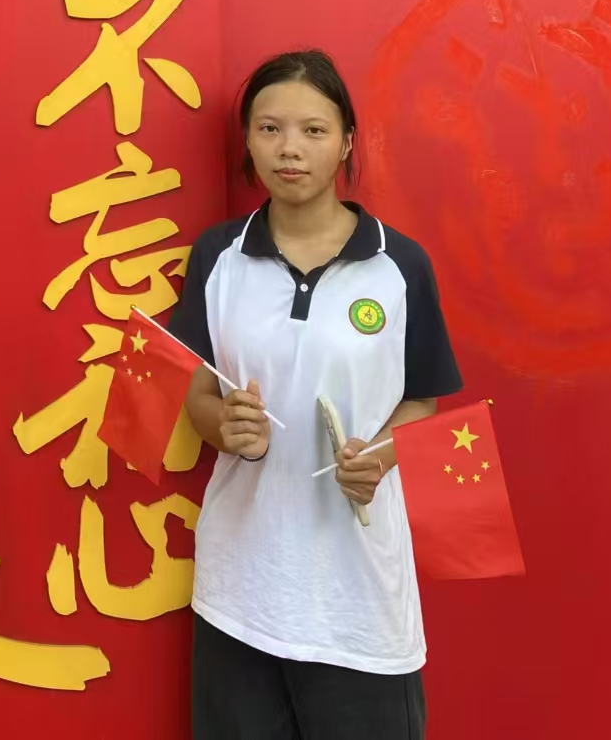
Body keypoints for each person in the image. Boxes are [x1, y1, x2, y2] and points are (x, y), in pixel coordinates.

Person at [172, 49, 461, 740]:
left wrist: (378, 458)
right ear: (247, 141)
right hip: (240, 592)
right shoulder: (217, 256)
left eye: (313, 130)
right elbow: (194, 389)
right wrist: (220, 424)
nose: (289, 149)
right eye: (269, 129)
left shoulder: (400, 265)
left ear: (347, 142)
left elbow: (422, 402)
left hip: (358, 600)